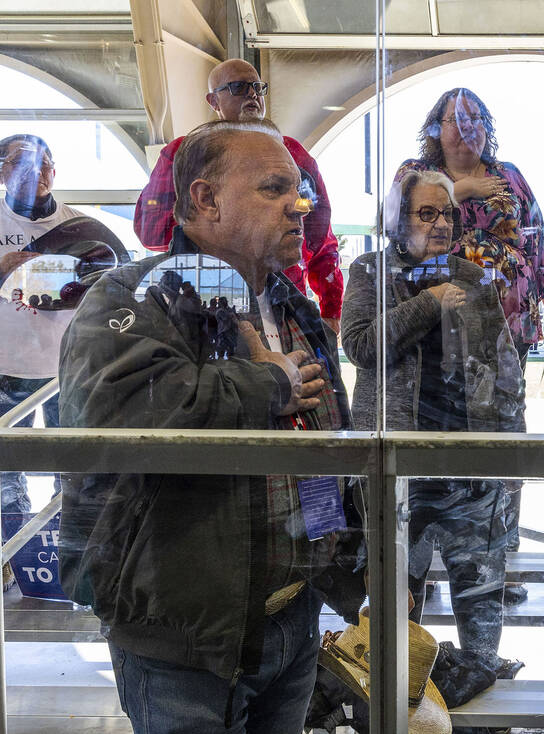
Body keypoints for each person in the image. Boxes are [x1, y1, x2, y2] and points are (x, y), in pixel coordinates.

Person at [57, 120, 366, 733]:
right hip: (185, 638)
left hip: (293, 618)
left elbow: (322, 447)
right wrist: (267, 385)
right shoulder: (132, 296)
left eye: (299, 190)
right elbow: (113, 413)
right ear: (204, 199)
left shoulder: (292, 307)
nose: (298, 206)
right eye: (274, 188)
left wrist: (349, 561)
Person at [341, 169, 523, 660]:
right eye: (427, 213)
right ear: (399, 222)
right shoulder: (370, 272)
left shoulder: (473, 277)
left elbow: (506, 372)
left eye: (448, 213)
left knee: (481, 596)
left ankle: (483, 694)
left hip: (470, 465)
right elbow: (359, 345)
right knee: (396, 599)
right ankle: (396, 704)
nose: (441, 223)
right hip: (397, 465)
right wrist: (428, 303)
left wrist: (514, 470)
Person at [395, 87, 544, 566]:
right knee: (442, 443)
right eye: (455, 119)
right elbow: (394, 223)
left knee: (506, 441)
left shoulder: (510, 177)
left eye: (476, 119)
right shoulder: (415, 175)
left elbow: (538, 240)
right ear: (436, 128)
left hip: (509, 331)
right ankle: (422, 570)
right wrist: (462, 191)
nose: (466, 127)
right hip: (438, 334)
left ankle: (499, 561)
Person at [133, 59, 344, 333]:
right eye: (238, 87)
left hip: (284, 301)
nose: (252, 94)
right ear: (213, 101)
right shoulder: (183, 154)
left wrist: (330, 311)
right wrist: (225, 229)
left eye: (257, 87)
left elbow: (321, 241)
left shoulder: (293, 154)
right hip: (204, 303)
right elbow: (151, 231)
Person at [0, 135, 103, 521]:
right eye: (23, 161)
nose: (36, 170)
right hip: (6, 369)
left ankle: (67, 548)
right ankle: (13, 555)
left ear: (54, 173)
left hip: (67, 368)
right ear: (3, 171)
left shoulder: (78, 225)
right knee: (7, 474)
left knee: (73, 469)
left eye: (45, 163)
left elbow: (104, 288)